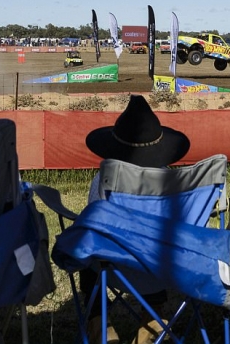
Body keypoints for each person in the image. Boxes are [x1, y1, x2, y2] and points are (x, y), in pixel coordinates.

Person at [81, 94, 190, 344]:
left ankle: (100, 326)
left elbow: (94, 227)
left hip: (113, 269)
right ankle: (151, 322)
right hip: (166, 271)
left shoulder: (103, 180)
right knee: (157, 241)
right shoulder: (174, 184)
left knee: (86, 249)